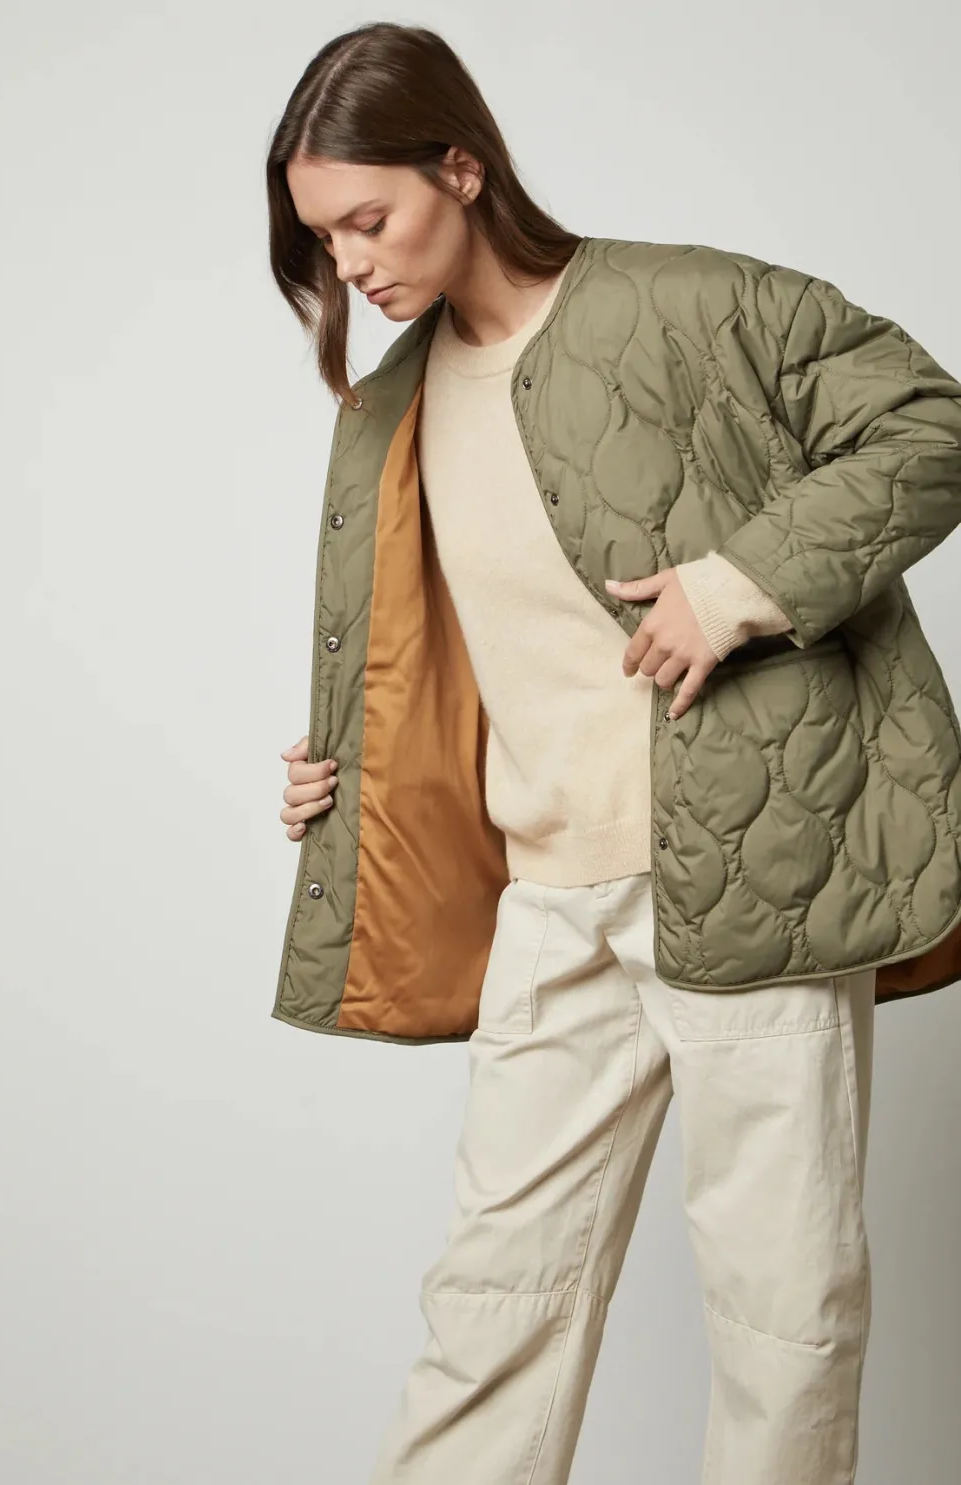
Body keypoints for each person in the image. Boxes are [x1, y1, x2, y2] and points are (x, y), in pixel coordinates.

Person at [264, 21, 961, 1485]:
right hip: (552, 897)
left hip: (755, 870)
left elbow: (928, 425)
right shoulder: (389, 406)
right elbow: (465, 644)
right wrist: (348, 772)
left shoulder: (691, 304)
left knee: (779, 1311)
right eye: (324, 240)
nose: (351, 265)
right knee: (490, 1309)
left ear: (462, 166)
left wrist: (740, 584)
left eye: (368, 220)